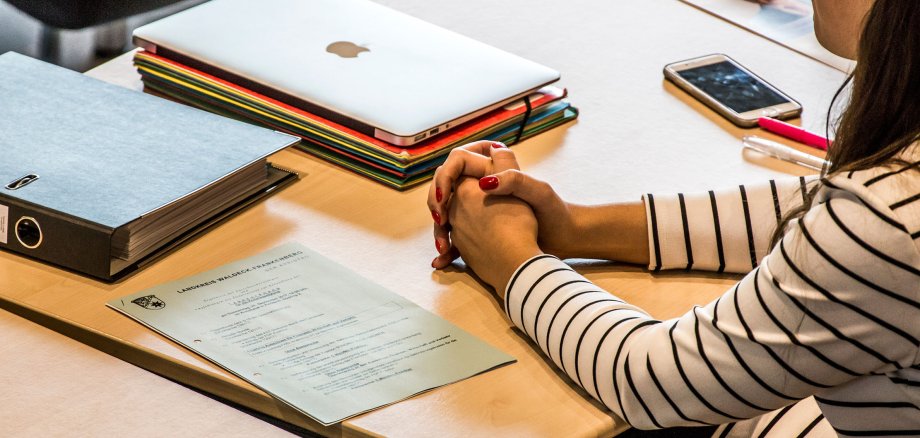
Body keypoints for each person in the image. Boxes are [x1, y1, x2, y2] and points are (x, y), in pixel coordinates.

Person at [425, 0, 919, 436]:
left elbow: (651, 382)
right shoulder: (886, 201)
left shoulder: (882, 222)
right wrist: (576, 226)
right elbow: (811, 207)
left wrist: (513, 261)